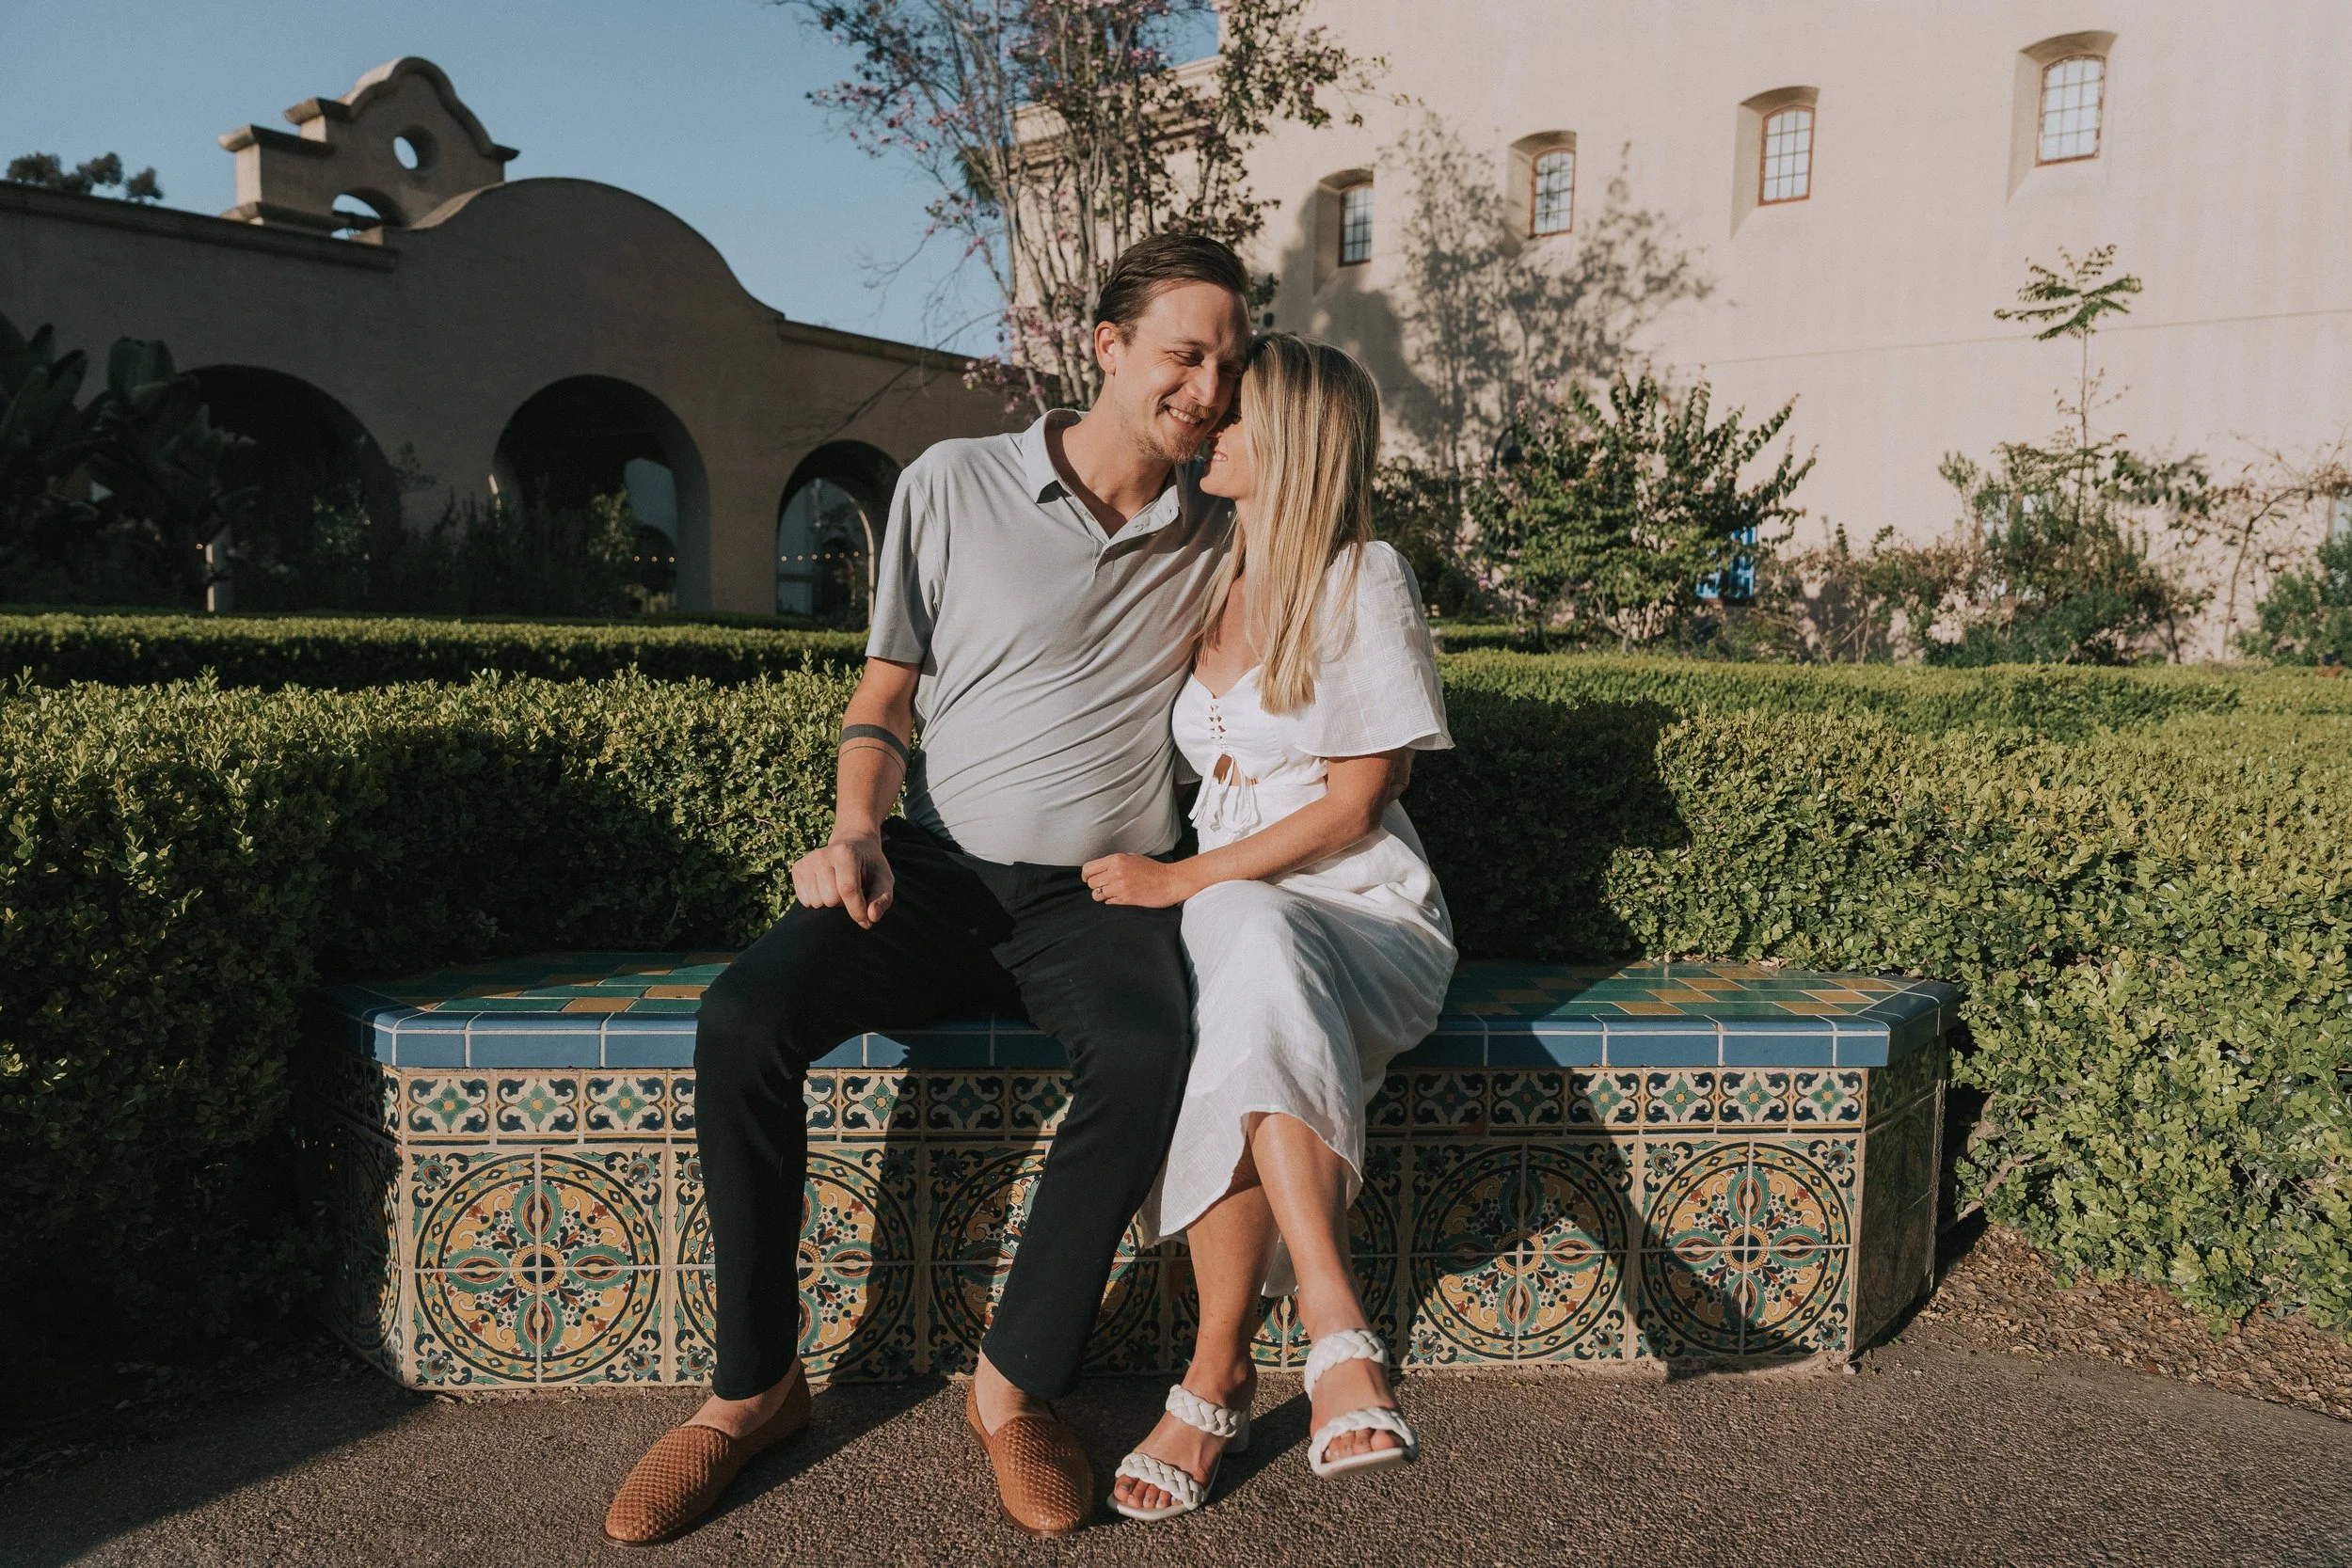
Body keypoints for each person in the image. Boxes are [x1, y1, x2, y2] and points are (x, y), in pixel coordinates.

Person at [600, 232, 1252, 1545]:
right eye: (1185, 355)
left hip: (1102, 893)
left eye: (1230, 367)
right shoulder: (953, 482)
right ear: (1108, 346)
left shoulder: (1220, 531)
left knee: (1149, 1048)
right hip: (939, 869)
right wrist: (855, 829)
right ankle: (753, 1386)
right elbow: (884, 695)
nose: (1208, 388)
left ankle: (1015, 1383)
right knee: (742, 1017)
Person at [1079, 335, 1456, 1521]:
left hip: (1361, 912)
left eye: (1235, 414)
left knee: (1245, 944)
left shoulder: (1361, 576)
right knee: (1243, 979)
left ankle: (1220, 1370)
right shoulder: (1207, 570)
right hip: (1235, 916)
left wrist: (1179, 881)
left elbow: (1355, 804)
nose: (1210, 425)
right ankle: (1327, 1338)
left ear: (1292, 438)